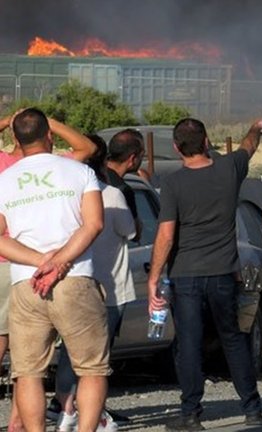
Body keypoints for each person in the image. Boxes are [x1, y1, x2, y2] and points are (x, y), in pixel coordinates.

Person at [148, 118, 262, 432]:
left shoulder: (173, 184)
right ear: (206, 142)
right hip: (224, 273)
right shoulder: (229, 169)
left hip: (186, 276)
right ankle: (252, 409)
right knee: (233, 339)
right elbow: (249, 145)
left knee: (189, 343)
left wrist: (154, 277)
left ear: (176, 148)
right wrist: (256, 126)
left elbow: (166, 236)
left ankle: (190, 414)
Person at [0, 108, 110, 432]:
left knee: (28, 372)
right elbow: (94, 224)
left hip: (26, 284)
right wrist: (59, 261)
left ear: (14, 139)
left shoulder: (4, 180)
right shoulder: (79, 171)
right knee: (92, 368)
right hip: (74, 279)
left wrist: (39, 261)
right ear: (50, 135)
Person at [47, 134, 136, 432]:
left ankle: (64, 408)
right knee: (96, 361)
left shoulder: (60, 196)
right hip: (110, 289)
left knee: (69, 355)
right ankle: (94, 415)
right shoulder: (111, 194)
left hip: (68, 283)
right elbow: (131, 231)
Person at [105, 129, 145, 241]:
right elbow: (135, 234)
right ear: (132, 159)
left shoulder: (92, 176)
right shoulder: (122, 190)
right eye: (142, 155)